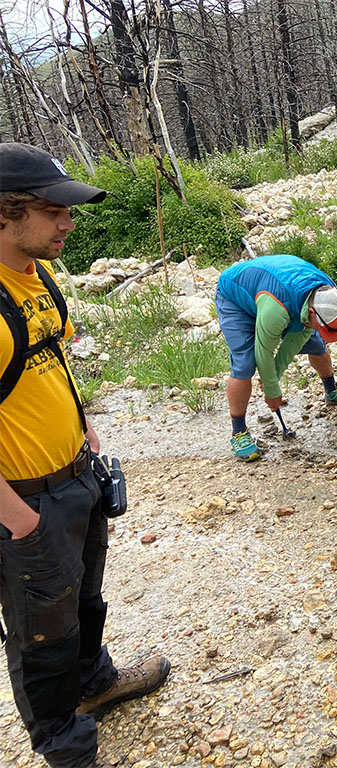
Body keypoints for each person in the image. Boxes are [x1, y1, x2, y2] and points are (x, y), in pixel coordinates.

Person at [0, 142, 170, 768]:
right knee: (41, 631)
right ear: (4, 214)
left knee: (82, 598)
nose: (69, 223)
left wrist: (84, 426)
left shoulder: (38, 275)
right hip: (24, 497)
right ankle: (66, 748)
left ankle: (95, 684)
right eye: (54, 211)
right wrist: (18, 519)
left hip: (76, 473)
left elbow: (49, 358)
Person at [215, 253, 337, 461]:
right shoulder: (276, 310)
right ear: (312, 313)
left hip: (282, 292)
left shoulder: (329, 294)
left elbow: (293, 344)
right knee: (245, 362)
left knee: (316, 343)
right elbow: (263, 352)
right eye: (324, 327)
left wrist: (272, 382)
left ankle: (332, 390)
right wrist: (271, 391)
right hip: (236, 297)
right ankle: (238, 431)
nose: (325, 331)